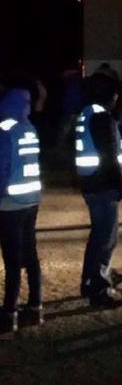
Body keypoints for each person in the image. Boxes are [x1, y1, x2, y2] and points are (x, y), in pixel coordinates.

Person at [75, 73, 122, 308]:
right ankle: (99, 288)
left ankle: (91, 280)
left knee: (99, 235)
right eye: (116, 94)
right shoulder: (101, 117)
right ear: (110, 95)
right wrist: (120, 184)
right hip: (104, 184)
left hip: (91, 182)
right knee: (107, 237)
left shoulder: (87, 113)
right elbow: (109, 154)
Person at [0, 88, 44, 335]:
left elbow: (2, 168)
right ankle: (36, 306)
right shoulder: (29, 127)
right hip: (31, 200)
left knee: (12, 259)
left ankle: (9, 313)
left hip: (9, 203)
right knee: (31, 254)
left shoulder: (4, 129)